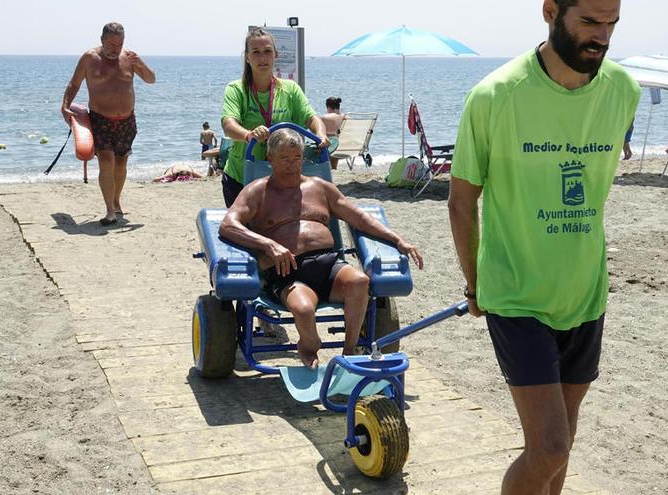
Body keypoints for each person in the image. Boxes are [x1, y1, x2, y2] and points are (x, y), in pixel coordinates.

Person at [447, 1, 639, 494]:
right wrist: (476, 284)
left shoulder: (623, 90)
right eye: (590, 22)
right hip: (515, 294)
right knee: (549, 446)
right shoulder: (495, 95)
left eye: (612, 22)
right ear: (551, 11)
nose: (603, 36)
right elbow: (463, 202)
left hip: (585, 292)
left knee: (563, 443)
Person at [219, 128, 423, 368]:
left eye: (297, 158)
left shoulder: (320, 187)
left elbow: (359, 218)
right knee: (304, 310)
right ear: (270, 159)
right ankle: (309, 346)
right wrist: (268, 244)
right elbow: (228, 225)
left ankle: (349, 352)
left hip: (329, 265)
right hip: (288, 271)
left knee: (359, 281)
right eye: (284, 159)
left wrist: (398, 239)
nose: (292, 165)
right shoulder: (258, 190)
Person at [220, 28, 328, 208]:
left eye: (267, 52)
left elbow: (311, 118)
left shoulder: (290, 89)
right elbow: (228, 124)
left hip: (280, 178)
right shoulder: (236, 89)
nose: (262, 58)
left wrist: (321, 134)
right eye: (256, 52)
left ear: (275, 54)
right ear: (247, 57)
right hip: (241, 177)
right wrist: (249, 135)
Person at [61, 22, 156, 226]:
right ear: (102, 40)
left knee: (121, 163)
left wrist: (140, 63)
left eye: (120, 44)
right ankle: (109, 211)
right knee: (106, 160)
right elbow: (74, 83)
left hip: (127, 120)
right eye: (112, 44)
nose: (116, 48)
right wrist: (65, 105)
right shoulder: (89, 58)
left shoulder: (130, 57)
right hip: (100, 118)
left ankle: (116, 200)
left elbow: (151, 79)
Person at [320, 97, 347, 169]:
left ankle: (330, 167)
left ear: (328, 107)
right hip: (348, 148)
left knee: (326, 140)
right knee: (336, 138)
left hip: (333, 148)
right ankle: (334, 167)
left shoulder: (324, 117)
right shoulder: (347, 117)